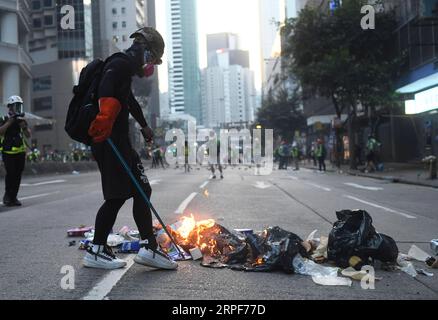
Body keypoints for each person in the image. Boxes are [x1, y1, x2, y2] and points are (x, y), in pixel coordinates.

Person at [82, 27, 177, 270]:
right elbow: (107, 87)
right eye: (153, 59)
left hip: (117, 140)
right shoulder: (120, 64)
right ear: (146, 51)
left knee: (140, 189)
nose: (151, 66)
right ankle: (98, 249)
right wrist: (105, 120)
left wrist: (144, 126)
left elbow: (127, 99)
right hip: (110, 140)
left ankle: (148, 247)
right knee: (119, 195)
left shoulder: (125, 68)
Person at [0, 96, 31, 207]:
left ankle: (14, 197)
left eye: (19, 106)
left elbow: (28, 135)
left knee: (18, 175)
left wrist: (24, 127)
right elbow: (0, 132)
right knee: (11, 174)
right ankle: (8, 196)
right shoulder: (3, 118)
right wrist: (9, 122)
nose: (17, 108)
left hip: (20, 151)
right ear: (9, 107)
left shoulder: (21, 119)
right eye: (15, 106)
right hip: (8, 151)